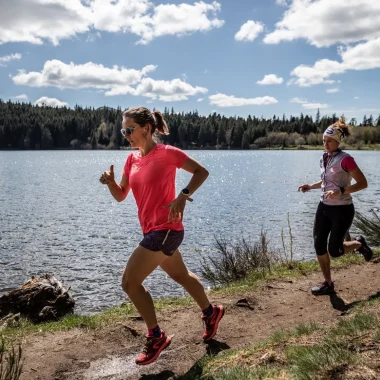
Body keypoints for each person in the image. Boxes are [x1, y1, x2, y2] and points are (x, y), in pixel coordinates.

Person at [99, 107, 224, 365]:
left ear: (146, 129)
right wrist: (111, 183)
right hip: (153, 230)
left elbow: (201, 172)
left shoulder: (167, 154)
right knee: (181, 275)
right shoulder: (132, 160)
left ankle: (156, 336)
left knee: (129, 282)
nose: (126, 135)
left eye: (129, 130)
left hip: (166, 230)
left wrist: (183, 195)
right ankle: (211, 312)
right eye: (123, 130)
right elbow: (121, 195)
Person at [298, 117, 373, 296]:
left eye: (330, 141)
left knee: (336, 251)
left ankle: (358, 244)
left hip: (342, 209)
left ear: (338, 141)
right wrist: (311, 186)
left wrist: (342, 190)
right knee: (318, 245)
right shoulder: (324, 157)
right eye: (324, 140)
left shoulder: (346, 160)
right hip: (324, 206)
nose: (326, 144)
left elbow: (363, 183)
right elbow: (326, 182)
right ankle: (328, 283)